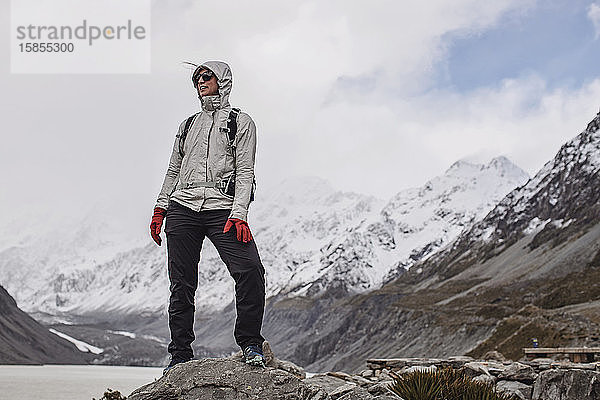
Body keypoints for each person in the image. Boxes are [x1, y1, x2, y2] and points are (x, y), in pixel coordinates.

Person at [149, 60, 266, 373]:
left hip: (222, 209)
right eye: (197, 78)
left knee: (250, 270)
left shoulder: (241, 121)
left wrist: (239, 213)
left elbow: (246, 171)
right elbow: (174, 168)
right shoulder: (187, 125)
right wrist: (161, 208)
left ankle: (250, 343)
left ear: (223, 81)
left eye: (207, 76)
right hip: (182, 207)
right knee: (181, 284)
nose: (200, 81)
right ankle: (180, 355)